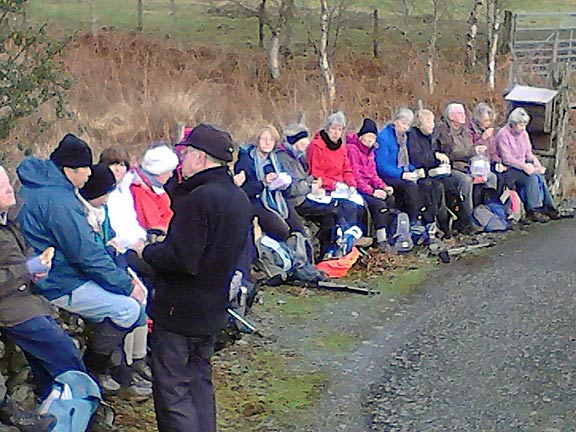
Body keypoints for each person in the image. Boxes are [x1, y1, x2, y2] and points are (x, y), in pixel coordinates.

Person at [135, 124, 252, 432]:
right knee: (200, 381)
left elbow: (183, 259)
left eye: (185, 154)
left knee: (173, 388)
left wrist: (149, 252)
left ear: (200, 159)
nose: (181, 160)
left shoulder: (199, 199)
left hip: (179, 311)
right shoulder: (237, 198)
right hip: (212, 307)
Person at [16, 134, 145, 393]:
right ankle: (94, 370)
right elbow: (85, 253)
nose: (89, 174)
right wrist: (125, 284)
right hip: (57, 282)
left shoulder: (36, 187)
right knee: (128, 309)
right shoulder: (60, 202)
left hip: (48, 273)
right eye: (85, 168)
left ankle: (118, 367)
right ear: (69, 170)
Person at [0, 164, 90, 431]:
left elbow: (22, 254)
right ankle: (78, 408)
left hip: (28, 299)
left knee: (54, 351)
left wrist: (36, 266)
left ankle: (61, 409)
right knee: (62, 351)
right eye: (0, 185)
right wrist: (26, 270)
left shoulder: (9, 220)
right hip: (11, 308)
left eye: (7, 181)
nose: (8, 187)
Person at [78, 163, 152, 397]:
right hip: (91, 275)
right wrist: (123, 282)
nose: (110, 197)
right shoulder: (81, 214)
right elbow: (95, 255)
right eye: (106, 193)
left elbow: (110, 244)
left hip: (111, 266)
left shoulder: (102, 211)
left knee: (140, 297)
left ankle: (135, 360)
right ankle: (116, 367)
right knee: (127, 306)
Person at [276, 121, 357, 257]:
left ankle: (336, 246)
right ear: (295, 141)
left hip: (306, 195)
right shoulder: (284, 158)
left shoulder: (297, 156)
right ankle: (327, 251)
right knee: (330, 212)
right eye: (303, 140)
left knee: (339, 208)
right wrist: (310, 186)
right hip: (295, 201)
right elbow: (291, 189)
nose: (307, 143)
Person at [375, 108, 441, 241]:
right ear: (395, 122)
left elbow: (407, 161)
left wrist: (414, 170)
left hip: (403, 171)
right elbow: (382, 165)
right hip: (388, 175)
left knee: (427, 184)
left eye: (407, 125)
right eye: (402, 123)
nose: (405, 127)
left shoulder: (405, 138)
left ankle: (429, 221)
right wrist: (402, 174)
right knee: (411, 187)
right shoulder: (384, 137)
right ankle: (414, 220)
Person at [234, 125, 305, 241]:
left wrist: (284, 184)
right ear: (258, 141)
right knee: (282, 231)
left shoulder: (276, 160)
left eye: (271, 140)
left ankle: (299, 256)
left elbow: (286, 190)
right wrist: (264, 182)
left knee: (298, 229)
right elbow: (244, 191)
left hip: (277, 199)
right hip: (257, 202)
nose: (267, 143)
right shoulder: (246, 160)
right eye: (264, 139)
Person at [495, 107, 560, 222]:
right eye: (520, 125)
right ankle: (534, 209)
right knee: (532, 177)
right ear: (512, 124)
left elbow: (528, 153)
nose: (523, 128)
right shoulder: (503, 135)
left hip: (522, 165)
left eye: (524, 125)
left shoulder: (523, 134)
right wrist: (523, 166)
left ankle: (549, 207)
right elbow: (507, 158)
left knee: (539, 176)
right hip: (509, 168)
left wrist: (536, 163)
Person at [346, 118, 398, 249]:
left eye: (373, 137)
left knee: (390, 199)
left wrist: (383, 186)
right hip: (357, 188)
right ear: (362, 135)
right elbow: (356, 176)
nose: (370, 140)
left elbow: (373, 174)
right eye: (368, 136)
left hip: (369, 185)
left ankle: (387, 232)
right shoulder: (352, 149)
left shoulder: (371, 152)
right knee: (379, 204)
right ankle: (381, 239)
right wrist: (372, 191)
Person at [408, 109, 456, 236]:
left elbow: (437, 152)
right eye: (428, 122)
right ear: (420, 124)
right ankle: (440, 224)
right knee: (436, 187)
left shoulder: (432, 136)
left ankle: (455, 220)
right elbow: (418, 158)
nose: (432, 125)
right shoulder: (413, 136)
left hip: (433, 171)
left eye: (432, 122)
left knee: (452, 183)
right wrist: (435, 157)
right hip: (419, 173)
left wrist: (441, 161)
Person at [99, 147, 147, 251]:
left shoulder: (125, 190)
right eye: (113, 164)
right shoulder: (101, 193)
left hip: (133, 245)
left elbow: (131, 221)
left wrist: (140, 237)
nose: (118, 169)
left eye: (122, 165)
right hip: (116, 248)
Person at [130, 143, 179, 239]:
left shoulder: (154, 188)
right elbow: (152, 225)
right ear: (158, 171)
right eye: (169, 171)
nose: (171, 175)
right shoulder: (140, 190)